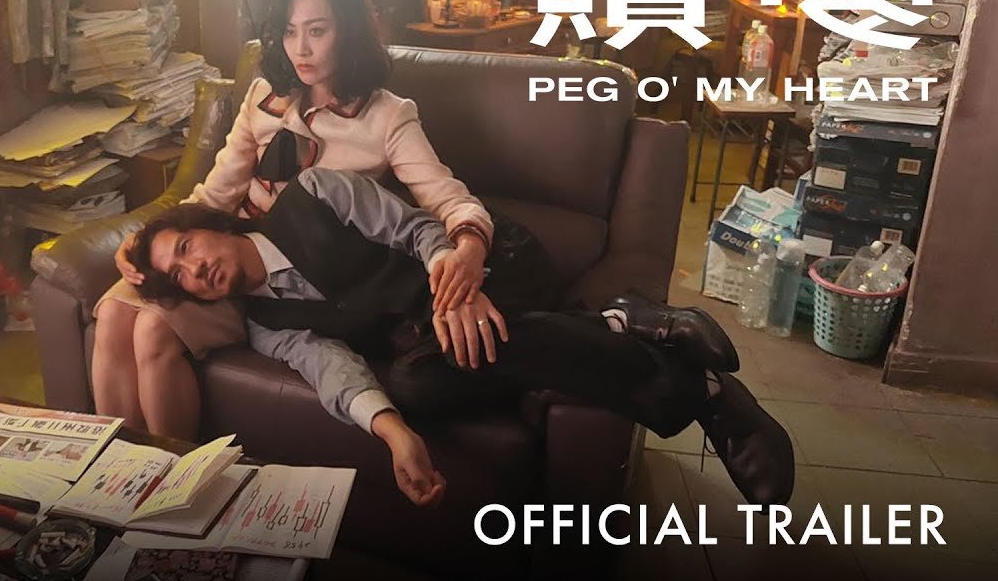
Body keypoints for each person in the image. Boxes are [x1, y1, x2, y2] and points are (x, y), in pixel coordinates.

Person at [129, 168, 795, 510]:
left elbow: (417, 230)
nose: (195, 270)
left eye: (187, 248)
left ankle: (704, 396)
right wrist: (394, 435)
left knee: (445, 347)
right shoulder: (265, 324)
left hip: (493, 266)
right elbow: (333, 371)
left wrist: (457, 286)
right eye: (178, 277)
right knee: (413, 384)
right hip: (434, 333)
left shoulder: (315, 193)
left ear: (214, 223)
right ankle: (622, 324)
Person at [93, 0, 494, 439]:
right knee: (113, 313)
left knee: (151, 330)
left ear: (348, 31)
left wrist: (469, 249)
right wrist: (145, 239)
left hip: (281, 288)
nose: (300, 49)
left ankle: (169, 473)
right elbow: (214, 196)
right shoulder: (264, 95)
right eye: (289, 32)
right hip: (231, 250)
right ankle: (114, 468)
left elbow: (447, 199)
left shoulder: (388, 117)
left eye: (317, 31)